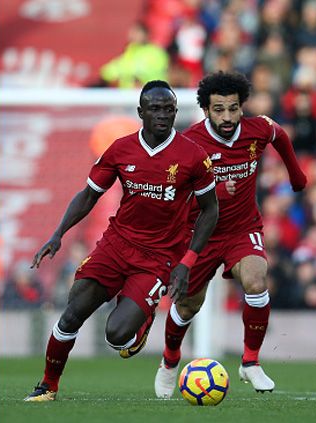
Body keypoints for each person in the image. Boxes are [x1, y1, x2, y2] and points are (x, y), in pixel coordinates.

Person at [24, 80, 219, 401]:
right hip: (116, 244)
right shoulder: (120, 149)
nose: (162, 115)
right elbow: (89, 195)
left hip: (159, 256)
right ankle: (48, 385)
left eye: (169, 109)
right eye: (155, 109)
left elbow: (211, 211)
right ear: (141, 112)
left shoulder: (192, 156)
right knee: (74, 310)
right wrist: (58, 234)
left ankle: (138, 324)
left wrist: (188, 261)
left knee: (116, 336)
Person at [154, 71, 307, 398]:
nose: (227, 117)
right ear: (206, 110)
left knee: (256, 280)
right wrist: (216, 192)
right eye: (219, 109)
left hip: (242, 228)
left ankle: (250, 362)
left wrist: (296, 176)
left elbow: (280, 136)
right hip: (200, 234)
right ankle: (169, 362)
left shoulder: (258, 129)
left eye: (234, 109)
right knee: (187, 307)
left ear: (242, 107)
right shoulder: (190, 143)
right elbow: (174, 194)